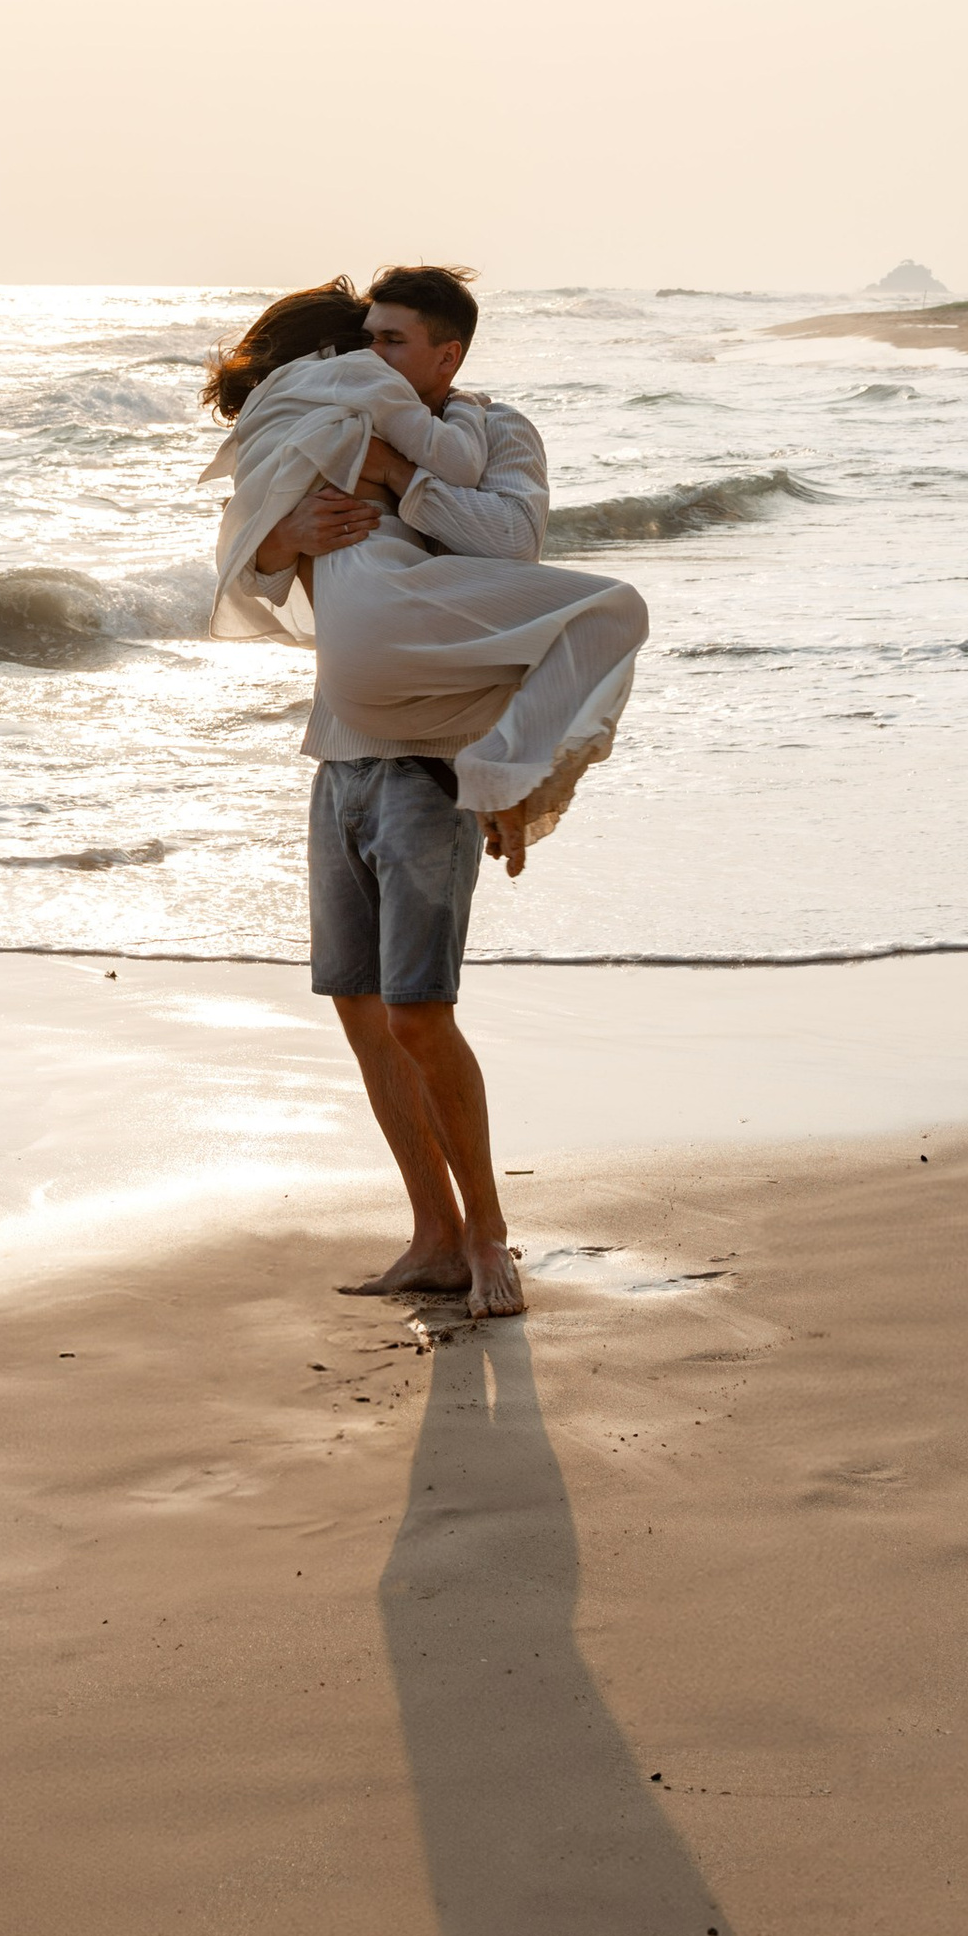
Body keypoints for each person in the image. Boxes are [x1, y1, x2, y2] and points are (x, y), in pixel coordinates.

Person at [202, 268, 648, 1318]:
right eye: (367, 337)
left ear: (447, 355)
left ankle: (490, 1235)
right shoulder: (331, 413)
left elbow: (511, 544)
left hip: (427, 767)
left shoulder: (495, 436)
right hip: (340, 756)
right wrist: (288, 536)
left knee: (417, 1012)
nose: (372, 355)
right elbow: (247, 558)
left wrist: (400, 470)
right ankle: (433, 1236)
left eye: (394, 340)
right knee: (360, 1009)